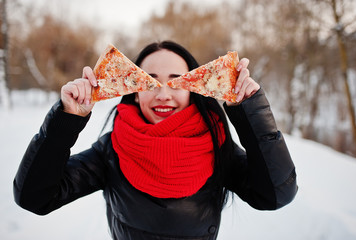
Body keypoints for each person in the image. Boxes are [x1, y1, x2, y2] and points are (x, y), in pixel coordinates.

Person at [13, 41, 297, 240]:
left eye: (177, 81)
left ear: (195, 89)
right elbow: (35, 197)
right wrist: (66, 119)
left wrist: (251, 110)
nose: (163, 94)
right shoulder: (113, 148)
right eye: (149, 81)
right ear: (134, 91)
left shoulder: (215, 145)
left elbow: (275, 195)